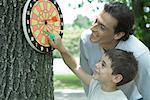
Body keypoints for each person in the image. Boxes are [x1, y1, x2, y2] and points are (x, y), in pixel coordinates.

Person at [80, 2, 150, 100]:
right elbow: (86, 75)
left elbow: (148, 92)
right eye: (96, 21)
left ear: (118, 35)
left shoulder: (140, 55)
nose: (93, 28)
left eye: (102, 27)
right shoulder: (86, 40)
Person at [48, 35, 138, 100]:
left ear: (116, 78)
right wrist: (61, 48)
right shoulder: (95, 85)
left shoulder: (119, 98)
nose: (96, 65)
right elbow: (75, 66)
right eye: (99, 61)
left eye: (103, 65)